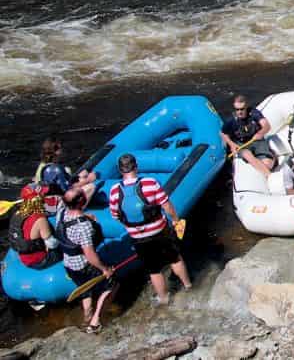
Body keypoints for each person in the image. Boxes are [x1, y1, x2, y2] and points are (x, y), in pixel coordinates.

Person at [109, 154, 191, 306]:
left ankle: (163, 297)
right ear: (136, 167)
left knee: (153, 269)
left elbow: (115, 215)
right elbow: (166, 205)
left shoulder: (114, 191)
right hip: (160, 230)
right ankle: (188, 286)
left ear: (120, 171)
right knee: (175, 258)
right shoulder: (150, 183)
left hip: (138, 237)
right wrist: (175, 220)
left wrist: (132, 227)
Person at [58, 188, 117, 333]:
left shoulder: (62, 212)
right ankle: (96, 322)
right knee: (112, 285)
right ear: (81, 201)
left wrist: (86, 216)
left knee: (86, 292)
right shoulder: (83, 226)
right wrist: (105, 269)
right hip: (84, 265)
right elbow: (90, 255)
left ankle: (86, 318)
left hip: (69, 264)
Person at [35, 137, 97, 213]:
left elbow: (61, 183)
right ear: (56, 152)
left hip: (51, 199)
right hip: (61, 202)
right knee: (91, 187)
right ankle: (77, 211)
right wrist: (88, 180)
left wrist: (78, 177)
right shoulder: (57, 169)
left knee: (81, 179)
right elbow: (68, 189)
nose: (62, 151)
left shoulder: (44, 167)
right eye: (61, 148)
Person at [8, 183, 61, 269]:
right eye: (42, 195)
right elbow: (52, 244)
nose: (45, 196)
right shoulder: (40, 219)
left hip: (25, 258)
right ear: (37, 199)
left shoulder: (18, 214)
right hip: (39, 261)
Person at [221, 95, 275, 177]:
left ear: (246, 107)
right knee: (246, 154)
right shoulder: (231, 120)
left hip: (256, 140)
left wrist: (260, 133)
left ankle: (271, 159)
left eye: (242, 109)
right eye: (237, 109)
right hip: (241, 143)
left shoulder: (254, 113)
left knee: (267, 164)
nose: (239, 112)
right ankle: (270, 176)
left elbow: (266, 125)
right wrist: (232, 145)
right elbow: (223, 133)